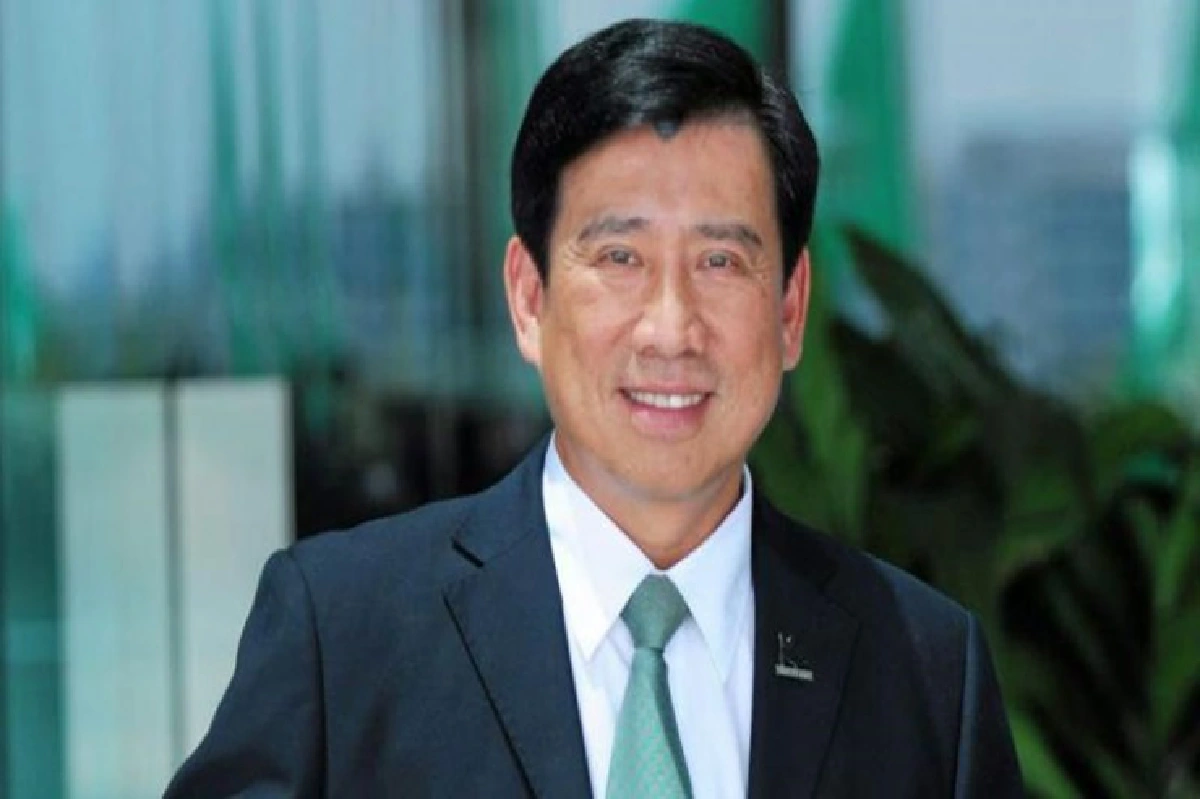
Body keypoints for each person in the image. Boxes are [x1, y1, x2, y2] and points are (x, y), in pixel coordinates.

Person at [166, 18, 1023, 798]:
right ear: (528, 296)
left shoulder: (927, 671)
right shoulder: (344, 635)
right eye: (620, 257)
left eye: (720, 262)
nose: (671, 328)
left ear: (791, 309)